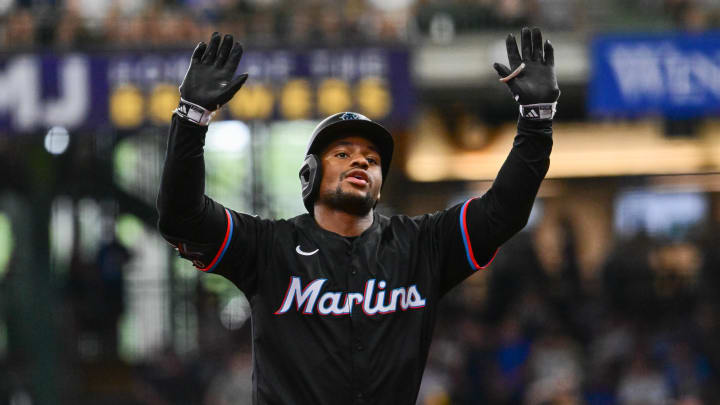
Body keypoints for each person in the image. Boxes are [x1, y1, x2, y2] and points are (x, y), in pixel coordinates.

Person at [157, 27, 560, 404]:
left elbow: (502, 212)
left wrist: (536, 123)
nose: (360, 163)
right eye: (342, 154)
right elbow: (183, 217)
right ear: (309, 175)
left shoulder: (423, 244)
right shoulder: (268, 247)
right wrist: (191, 118)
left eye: (371, 159)